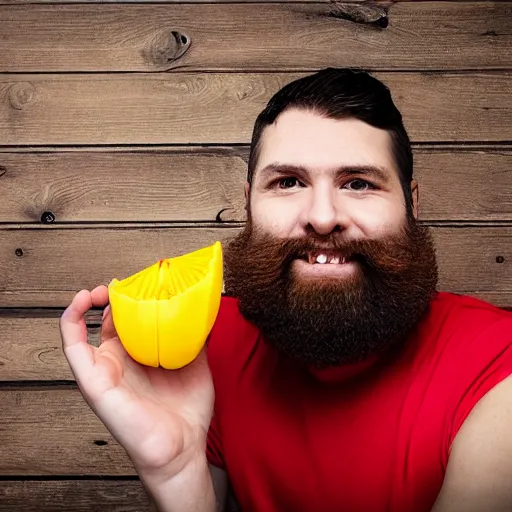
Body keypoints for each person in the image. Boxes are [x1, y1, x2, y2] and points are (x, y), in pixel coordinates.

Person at [60, 68, 512, 512]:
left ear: (412, 203)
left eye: (358, 183)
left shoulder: (498, 366)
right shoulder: (205, 348)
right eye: (288, 182)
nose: (321, 216)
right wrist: (173, 473)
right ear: (248, 204)